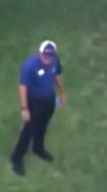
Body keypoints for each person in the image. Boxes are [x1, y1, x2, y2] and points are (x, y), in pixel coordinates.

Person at [10, 40, 66, 176]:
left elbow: (57, 75)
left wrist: (62, 92)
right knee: (29, 130)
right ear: (40, 53)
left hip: (49, 101)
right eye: (45, 55)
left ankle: (38, 148)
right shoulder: (30, 66)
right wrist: (24, 109)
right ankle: (16, 158)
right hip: (34, 102)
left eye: (50, 56)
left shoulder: (54, 60)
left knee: (43, 126)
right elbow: (23, 87)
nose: (47, 58)